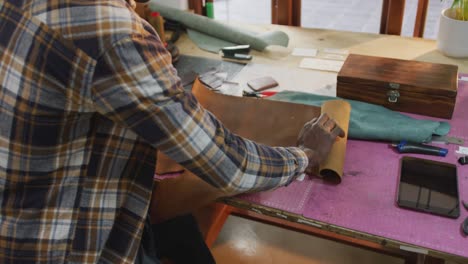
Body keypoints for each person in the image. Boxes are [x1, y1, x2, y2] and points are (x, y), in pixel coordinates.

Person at [0, 0, 344, 263]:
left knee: (181, 231)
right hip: (64, 246)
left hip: (19, 221)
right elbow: (230, 166)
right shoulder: (114, 33)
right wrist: (305, 155)